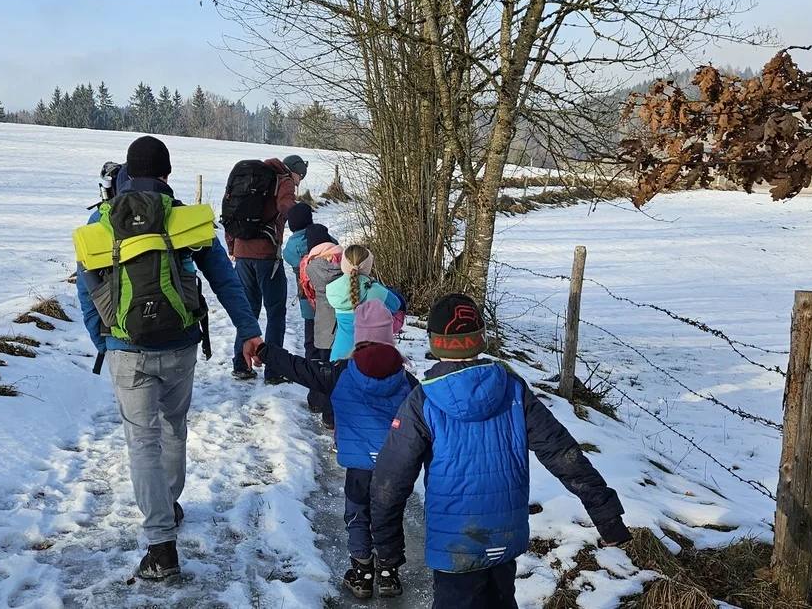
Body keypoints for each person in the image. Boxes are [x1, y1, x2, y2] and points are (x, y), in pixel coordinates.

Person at [75, 136, 264, 581]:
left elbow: (87, 290)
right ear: (167, 174)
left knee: (142, 442)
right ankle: (170, 504)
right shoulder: (184, 219)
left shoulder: (99, 222)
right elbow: (224, 277)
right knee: (173, 427)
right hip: (181, 346)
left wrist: (103, 342)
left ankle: (160, 546)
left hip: (127, 349)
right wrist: (249, 330)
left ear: (125, 173)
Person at [370, 294, 631, 608]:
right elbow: (563, 453)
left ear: (435, 343)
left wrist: (387, 549)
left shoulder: (423, 401)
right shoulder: (513, 390)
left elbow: (390, 481)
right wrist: (607, 517)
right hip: (505, 536)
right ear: (480, 338)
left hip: (456, 543)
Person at [255, 300, 418, 600]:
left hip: (358, 468)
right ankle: (388, 574)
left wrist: (265, 352)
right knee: (389, 515)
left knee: (357, 516)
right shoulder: (406, 379)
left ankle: (362, 574)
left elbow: (299, 368)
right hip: (395, 469)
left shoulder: (342, 372)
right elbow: (425, 415)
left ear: (359, 337)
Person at [227, 154, 308, 381]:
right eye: (299, 177)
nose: (298, 182)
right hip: (266, 254)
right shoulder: (283, 179)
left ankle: (241, 365)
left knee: (248, 310)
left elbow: (231, 211)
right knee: (275, 312)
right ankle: (274, 370)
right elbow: (285, 205)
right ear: (295, 171)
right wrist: (300, 218)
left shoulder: (247, 177)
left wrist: (232, 245)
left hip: (242, 253)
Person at [326, 245, 404, 361]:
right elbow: (396, 305)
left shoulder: (332, 289)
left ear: (343, 265)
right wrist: (375, 283)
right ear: (368, 266)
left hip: (339, 355)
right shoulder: (376, 291)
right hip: (368, 359)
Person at [300, 224, 341, 426]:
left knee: (325, 372)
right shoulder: (346, 261)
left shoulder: (308, 266)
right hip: (346, 329)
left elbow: (310, 296)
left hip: (324, 328)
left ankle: (327, 415)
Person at [283, 201, 317, 360]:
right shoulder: (321, 234)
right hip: (329, 293)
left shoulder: (292, 244)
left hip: (306, 292)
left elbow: (286, 256)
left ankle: (311, 359)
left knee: (310, 328)